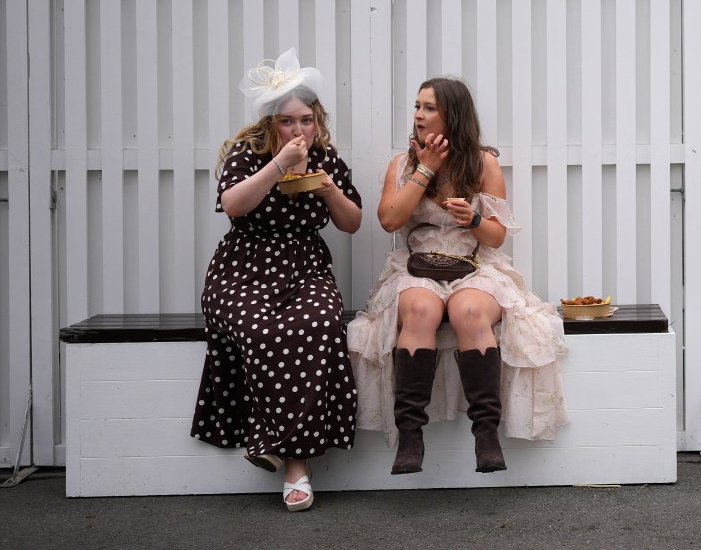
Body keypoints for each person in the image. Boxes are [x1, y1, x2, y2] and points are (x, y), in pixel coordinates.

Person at [348, 77, 568, 474]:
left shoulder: (483, 162)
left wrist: (474, 218)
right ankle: (410, 437)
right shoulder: (401, 164)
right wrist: (426, 170)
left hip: (474, 266)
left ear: (453, 115)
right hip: (417, 267)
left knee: (469, 312)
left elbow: (496, 237)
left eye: (429, 107)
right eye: (417, 106)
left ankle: (486, 435)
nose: (418, 114)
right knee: (418, 309)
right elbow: (389, 220)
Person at [190, 48, 363, 512]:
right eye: (288, 121)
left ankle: (283, 453)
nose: (299, 130)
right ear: (271, 123)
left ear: (317, 119)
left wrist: (328, 188)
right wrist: (279, 165)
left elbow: (352, 223)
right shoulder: (246, 155)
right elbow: (234, 205)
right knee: (261, 330)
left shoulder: (327, 159)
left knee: (322, 323)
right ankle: (293, 462)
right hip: (243, 268)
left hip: (305, 266)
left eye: (306, 120)